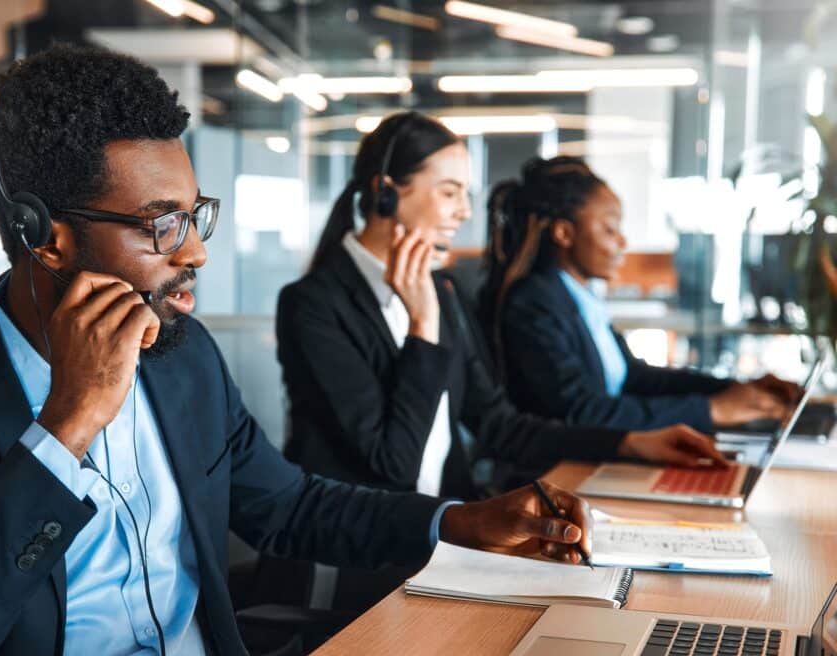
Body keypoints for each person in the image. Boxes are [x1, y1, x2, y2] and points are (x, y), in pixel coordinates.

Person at [0, 47, 605, 656]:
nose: (195, 250)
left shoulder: (180, 361)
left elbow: (291, 507)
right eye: (161, 225)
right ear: (45, 236)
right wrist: (64, 430)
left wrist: (460, 521)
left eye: (194, 216)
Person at [277, 113, 726, 505]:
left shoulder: (442, 290)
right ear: (386, 192)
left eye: (466, 195)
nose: (464, 211)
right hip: (358, 569)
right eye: (450, 193)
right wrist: (422, 327)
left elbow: (499, 424)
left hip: (442, 534)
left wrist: (631, 443)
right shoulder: (313, 306)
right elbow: (393, 463)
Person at [481, 156, 801, 433]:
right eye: (609, 229)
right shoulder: (532, 304)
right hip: (557, 472)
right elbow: (580, 412)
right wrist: (710, 410)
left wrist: (732, 390)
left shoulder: (578, 298)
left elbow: (633, 378)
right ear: (564, 233)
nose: (622, 243)